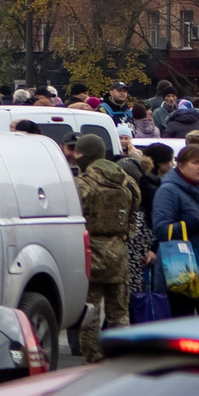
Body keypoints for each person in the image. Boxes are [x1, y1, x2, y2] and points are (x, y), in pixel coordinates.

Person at [75, 134, 138, 360]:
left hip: (90, 254)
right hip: (118, 253)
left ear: (87, 154)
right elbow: (135, 208)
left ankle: (93, 359)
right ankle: (122, 358)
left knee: (90, 311)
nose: (75, 156)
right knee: (120, 312)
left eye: (79, 153)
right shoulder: (127, 181)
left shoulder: (82, 183)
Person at [151, 142, 199, 316]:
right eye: (196, 162)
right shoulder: (168, 191)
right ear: (181, 165)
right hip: (180, 269)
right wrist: (197, 223)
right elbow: (161, 230)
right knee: (182, 324)